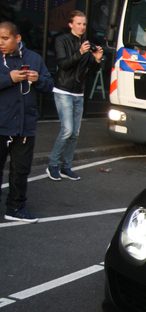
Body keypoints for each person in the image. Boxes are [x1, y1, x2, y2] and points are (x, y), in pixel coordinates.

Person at [0, 21, 53, 222]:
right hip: (2, 123)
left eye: (5, 38)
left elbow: (48, 86)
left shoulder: (34, 58)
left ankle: (15, 208)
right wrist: (8, 78)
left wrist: (38, 78)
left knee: (20, 170)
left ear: (17, 38)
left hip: (25, 125)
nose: (1, 43)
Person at [47, 10, 103, 181]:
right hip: (63, 90)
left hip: (79, 92)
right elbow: (63, 64)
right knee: (67, 130)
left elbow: (92, 70)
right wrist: (79, 53)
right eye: (78, 24)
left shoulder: (86, 44)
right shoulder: (61, 40)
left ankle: (66, 166)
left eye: (84, 24)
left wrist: (97, 59)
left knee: (75, 133)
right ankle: (53, 165)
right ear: (70, 24)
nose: (82, 27)